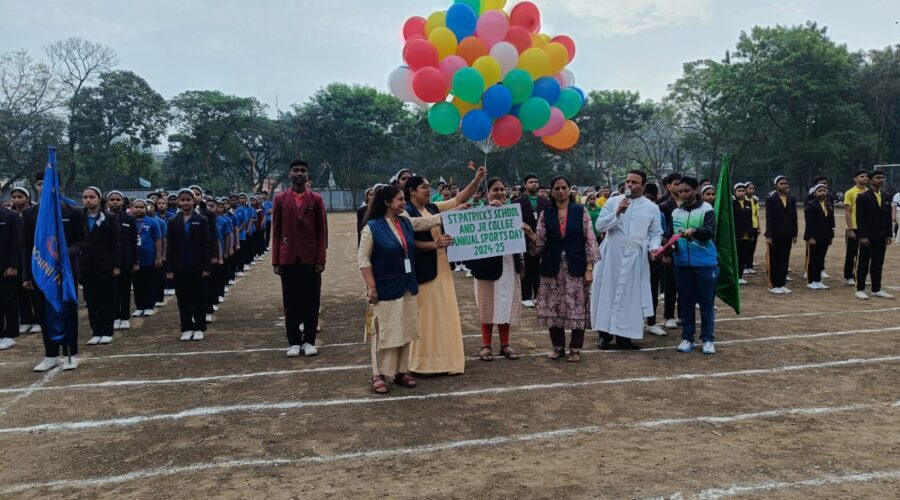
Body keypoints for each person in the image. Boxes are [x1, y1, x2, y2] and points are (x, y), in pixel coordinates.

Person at [359, 185, 442, 394]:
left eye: (404, 199)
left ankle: (401, 371)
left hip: (407, 284)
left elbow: (430, 221)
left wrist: (460, 211)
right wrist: (371, 287)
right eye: (400, 199)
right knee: (384, 331)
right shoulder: (371, 227)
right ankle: (378, 374)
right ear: (387, 202)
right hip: (384, 287)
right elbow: (363, 259)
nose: (404, 203)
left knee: (406, 328)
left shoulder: (405, 222)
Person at [403, 167, 485, 375]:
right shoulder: (405, 212)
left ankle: (446, 360)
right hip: (423, 270)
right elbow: (410, 240)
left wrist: (476, 180)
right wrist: (434, 244)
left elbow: (458, 200)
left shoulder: (432, 207)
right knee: (425, 316)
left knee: (444, 313)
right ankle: (421, 362)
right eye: (424, 187)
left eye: (429, 187)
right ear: (412, 191)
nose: (428, 190)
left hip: (442, 267)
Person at [523, 176, 600, 362]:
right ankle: (558, 347)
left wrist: (589, 268)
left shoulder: (580, 211)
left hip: (576, 266)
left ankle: (575, 348)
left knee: (577, 307)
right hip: (552, 267)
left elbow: (590, 240)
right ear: (551, 191)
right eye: (556, 188)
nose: (560, 191)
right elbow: (540, 242)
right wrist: (530, 233)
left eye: (564, 187)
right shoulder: (546, 213)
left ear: (569, 189)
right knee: (553, 308)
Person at [591, 170, 663, 351]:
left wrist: (654, 248)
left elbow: (655, 233)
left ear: (643, 185)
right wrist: (617, 212)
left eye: (634, 182)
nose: (629, 185)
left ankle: (624, 337)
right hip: (612, 254)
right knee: (607, 293)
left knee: (631, 297)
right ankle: (604, 335)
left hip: (635, 257)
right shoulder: (613, 201)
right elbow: (599, 226)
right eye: (628, 181)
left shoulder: (652, 208)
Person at [22, 173, 87, 371]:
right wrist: (26, 276)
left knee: (67, 311)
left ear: (59, 187)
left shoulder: (73, 211)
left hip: (65, 273)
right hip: (42, 271)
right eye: (40, 184)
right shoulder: (30, 213)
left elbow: (82, 241)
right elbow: (26, 247)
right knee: (43, 313)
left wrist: (66, 253)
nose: (44, 187)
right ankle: (50, 354)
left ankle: (70, 353)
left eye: (48, 183)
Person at [272, 160, 328, 357]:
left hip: (310, 258)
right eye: (295, 170)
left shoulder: (316, 199)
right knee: (291, 301)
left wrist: (321, 259)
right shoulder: (280, 199)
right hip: (288, 258)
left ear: (307, 174)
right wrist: (276, 260)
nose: (299, 174)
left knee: (311, 301)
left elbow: (322, 232)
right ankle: (294, 341)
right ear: (290, 174)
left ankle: (309, 341)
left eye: (303, 171)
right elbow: (276, 231)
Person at [467, 178, 522, 362]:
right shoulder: (478, 213)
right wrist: (488, 211)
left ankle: (505, 344)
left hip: (508, 264)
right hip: (485, 266)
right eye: (495, 189)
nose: (500, 193)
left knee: (505, 303)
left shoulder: (513, 213)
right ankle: (486, 345)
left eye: (502, 189)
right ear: (487, 193)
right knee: (486, 305)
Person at [670, 177, 719, 355]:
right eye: (680, 191)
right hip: (682, 264)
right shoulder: (676, 213)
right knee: (686, 302)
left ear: (696, 190)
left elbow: (709, 232)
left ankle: (707, 339)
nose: (683, 194)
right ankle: (687, 337)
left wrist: (695, 231)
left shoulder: (707, 209)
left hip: (705, 263)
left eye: (686, 191)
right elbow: (670, 235)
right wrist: (668, 248)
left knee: (706, 302)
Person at [166, 189, 212, 341]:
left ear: (194, 201)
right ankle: (186, 327)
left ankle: (199, 327)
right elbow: (170, 247)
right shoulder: (173, 221)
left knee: (199, 297)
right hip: (180, 266)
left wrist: (207, 267)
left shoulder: (202, 220)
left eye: (188, 199)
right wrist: (169, 269)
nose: (185, 202)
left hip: (197, 266)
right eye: (183, 200)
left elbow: (207, 244)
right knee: (183, 298)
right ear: (179, 202)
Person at [80, 187, 122, 346]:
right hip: (86, 266)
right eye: (85, 197)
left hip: (105, 265)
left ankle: (107, 331)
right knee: (91, 300)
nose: (88, 200)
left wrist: (116, 265)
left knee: (106, 299)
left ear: (99, 198)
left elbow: (116, 242)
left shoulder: (110, 218)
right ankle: (96, 331)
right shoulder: (79, 217)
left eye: (91, 197)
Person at [854, 170, 894, 300]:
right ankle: (859, 289)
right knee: (863, 263)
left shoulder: (886, 196)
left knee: (878, 263)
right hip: (867, 236)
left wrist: (889, 234)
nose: (881, 180)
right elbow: (860, 218)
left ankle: (876, 289)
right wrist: (862, 236)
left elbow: (888, 217)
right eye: (878, 177)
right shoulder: (863, 197)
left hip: (881, 236)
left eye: (883, 177)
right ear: (871, 180)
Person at [515, 174, 550, 309]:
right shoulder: (517, 202)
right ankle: (526, 297)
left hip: (541, 239)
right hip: (524, 239)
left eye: (536, 181)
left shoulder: (546, 202)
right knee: (527, 269)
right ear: (525, 185)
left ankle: (538, 296)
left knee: (539, 269)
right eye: (531, 182)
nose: (534, 184)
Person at [106, 191, 138, 331]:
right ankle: (116, 317)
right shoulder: (103, 218)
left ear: (122, 202)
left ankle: (125, 317)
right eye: (112, 199)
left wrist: (135, 261)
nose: (115, 202)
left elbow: (133, 241)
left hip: (126, 260)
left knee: (124, 290)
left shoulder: (130, 218)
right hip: (108, 260)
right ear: (107, 202)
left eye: (117, 199)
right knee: (111, 291)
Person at [9, 187, 38, 335]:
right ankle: (26, 320)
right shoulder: (9, 214)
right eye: (14, 197)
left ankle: (38, 320)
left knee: (35, 290)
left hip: (33, 255)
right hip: (16, 257)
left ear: (27, 198)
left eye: (20, 197)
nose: (16, 200)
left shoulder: (34, 213)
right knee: (20, 291)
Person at [765, 176, 798, 294]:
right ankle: (773, 285)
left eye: (785, 183)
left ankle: (781, 283)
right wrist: (769, 236)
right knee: (775, 259)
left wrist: (795, 234)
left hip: (787, 234)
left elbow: (794, 217)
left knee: (784, 259)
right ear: (776, 185)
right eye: (781, 183)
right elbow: (769, 218)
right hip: (775, 234)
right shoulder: (771, 199)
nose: (784, 185)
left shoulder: (791, 199)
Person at [657, 173, 682, 329]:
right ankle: (669, 316)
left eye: (681, 184)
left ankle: (682, 314)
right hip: (669, 249)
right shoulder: (663, 206)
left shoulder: (689, 204)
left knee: (684, 285)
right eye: (675, 184)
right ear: (668, 186)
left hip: (686, 249)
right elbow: (662, 232)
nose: (679, 187)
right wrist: (666, 252)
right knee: (670, 284)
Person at [131, 199, 163, 317]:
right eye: (136, 207)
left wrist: (158, 258)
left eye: (141, 207)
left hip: (149, 258)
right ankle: (139, 307)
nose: (139, 209)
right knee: (137, 284)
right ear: (132, 208)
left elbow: (158, 240)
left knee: (149, 283)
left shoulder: (152, 222)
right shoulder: (130, 221)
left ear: (146, 209)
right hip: (134, 258)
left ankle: (149, 306)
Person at [804, 183, 835, 290]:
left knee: (820, 259)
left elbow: (830, 221)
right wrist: (811, 237)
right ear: (815, 193)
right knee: (813, 259)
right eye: (820, 191)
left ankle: (818, 280)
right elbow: (810, 223)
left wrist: (830, 236)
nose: (822, 192)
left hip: (825, 236)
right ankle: (811, 281)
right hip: (815, 237)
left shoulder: (828, 204)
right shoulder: (810, 205)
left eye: (824, 191)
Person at [0, 200, 21, 350]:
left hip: (6, 267)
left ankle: (10, 333)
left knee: (9, 300)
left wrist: (13, 265)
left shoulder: (10, 215)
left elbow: (17, 242)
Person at [843, 170, 869, 286]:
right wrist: (850, 229)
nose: (865, 178)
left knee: (865, 254)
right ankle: (849, 276)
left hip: (866, 228)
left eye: (866, 176)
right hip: (854, 227)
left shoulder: (869, 192)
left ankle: (860, 277)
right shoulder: (850, 192)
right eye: (862, 176)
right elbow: (847, 211)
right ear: (855, 178)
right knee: (851, 253)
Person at [733, 183, 754, 284]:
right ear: (735, 192)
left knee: (743, 257)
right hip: (736, 235)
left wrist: (751, 233)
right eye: (739, 191)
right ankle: (734, 276)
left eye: (743, 191)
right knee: (736, 257)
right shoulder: (732, 203)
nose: (741, 193)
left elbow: (750, 219)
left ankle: (740, 276)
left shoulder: (748, 203)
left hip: (746, 235)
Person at [745, 182, 761, 274]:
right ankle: (744, 265)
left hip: (754, 226)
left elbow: (756, 214)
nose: (752, 190)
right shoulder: (743, 200)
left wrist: (758, 227)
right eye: (749, 188)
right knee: (746, 246)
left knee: (752, 246)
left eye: (753, 188)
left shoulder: (754, 200)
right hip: (747, 227)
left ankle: (749, 265)